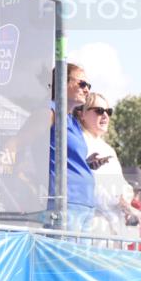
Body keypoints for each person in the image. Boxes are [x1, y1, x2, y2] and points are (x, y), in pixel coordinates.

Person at [76, 93, 141, 240]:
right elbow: (88, 184)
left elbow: (122, 184)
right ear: (82, 114)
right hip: (92, 224)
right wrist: (117, 200)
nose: (105, 115)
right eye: (99, 111)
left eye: (108, 111)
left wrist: (124, 198)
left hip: (114, 226)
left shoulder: (108, 149)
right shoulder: (80, 144)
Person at [48, 63, 96, 232]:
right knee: (63, 258)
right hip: (65, 202)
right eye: (82, 84)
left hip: (84, 203)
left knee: (78, 259)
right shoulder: (50, 111)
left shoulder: (73, 122)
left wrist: (86, 164)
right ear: (63, 82)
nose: (87, 90)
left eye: (88, 86)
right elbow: (20, 145)